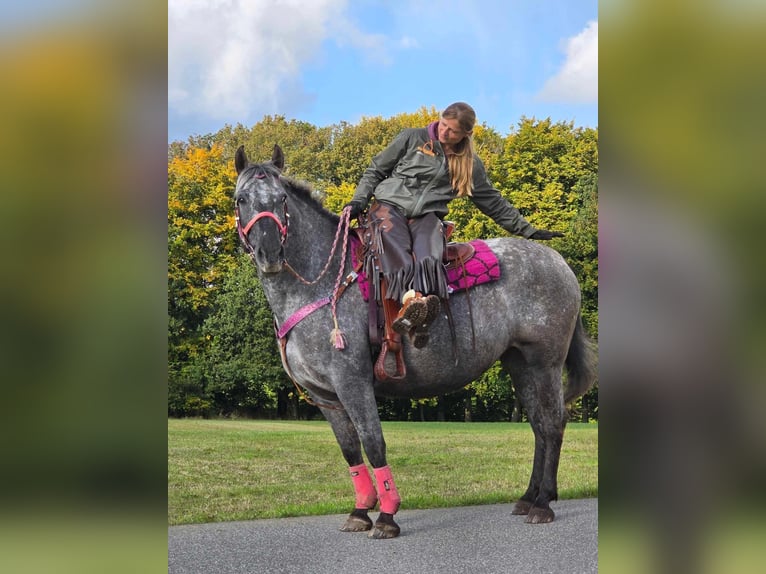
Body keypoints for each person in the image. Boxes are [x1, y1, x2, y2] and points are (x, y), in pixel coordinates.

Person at [344, 102, 563, 347]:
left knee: (429, 259)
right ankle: (412, 306)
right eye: (443, 124)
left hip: (427, 216)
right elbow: (375, 170)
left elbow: (492, 201)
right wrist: (358, 201)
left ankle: (416, 311)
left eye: (452, 130)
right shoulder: (411, 138)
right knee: (400, 257)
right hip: (388, 208)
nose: (444, 132)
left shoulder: (470, 164)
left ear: (466, 134)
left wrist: (527, 229)